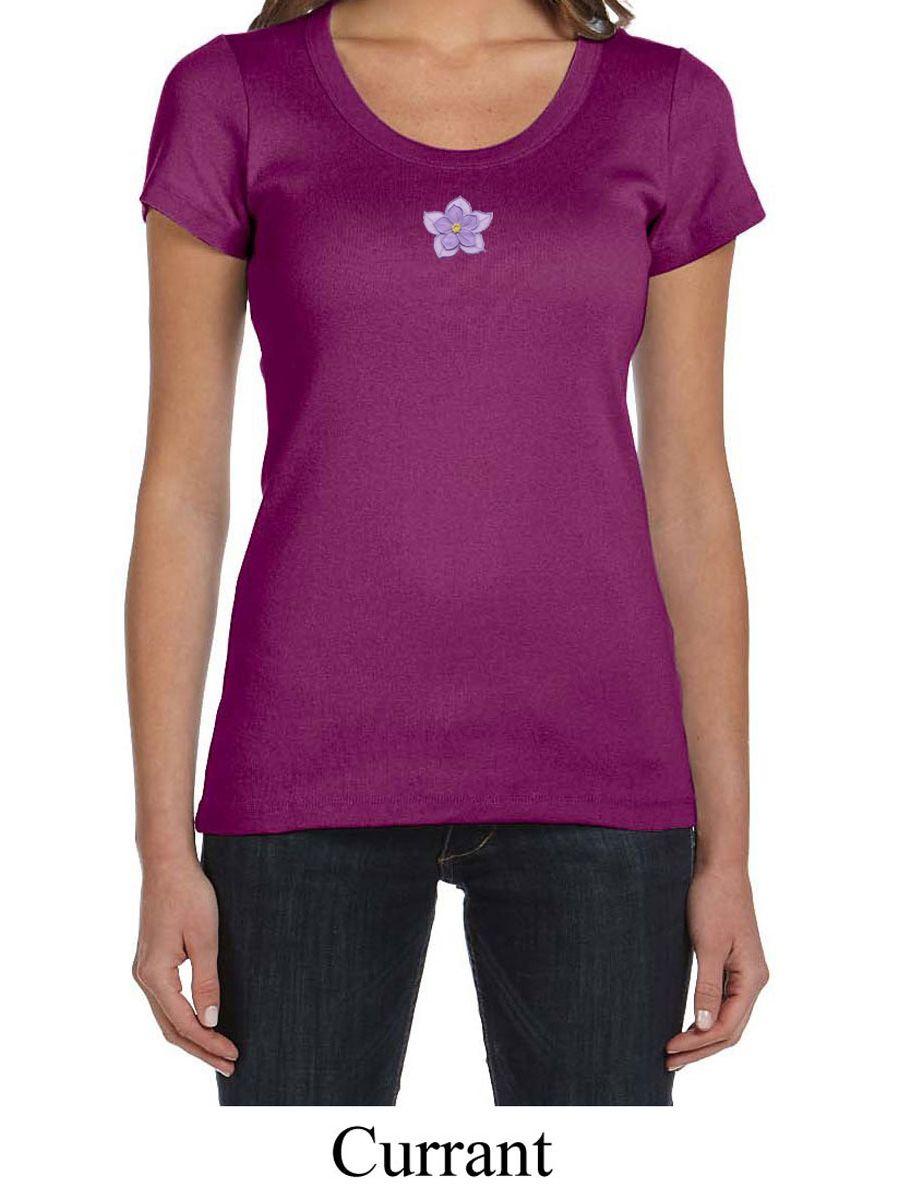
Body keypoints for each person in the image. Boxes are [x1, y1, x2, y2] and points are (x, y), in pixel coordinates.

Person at [127, 0, 770, 1107]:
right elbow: (183, 488)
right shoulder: (232, 95)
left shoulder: (667, 105)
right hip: (302, 770)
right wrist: (160, 850)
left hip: (602, 772)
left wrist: (728, 856)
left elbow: (692, 495)